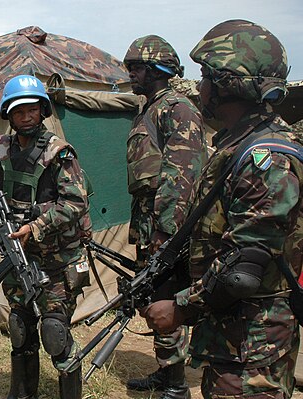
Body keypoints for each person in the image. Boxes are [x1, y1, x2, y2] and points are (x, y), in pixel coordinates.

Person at [141, 19, 303, 398]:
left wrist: (180, 308)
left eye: (205, 76)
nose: (199, 87)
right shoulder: (239, 145)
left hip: (254, 340)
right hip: (235, 331)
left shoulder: (267, 157)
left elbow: (244, 268)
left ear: (228, 83)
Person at [0, 75, 92, 399]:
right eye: (19, 111)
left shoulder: (60, 153)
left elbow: (76, 202)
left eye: (32, 110)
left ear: (42, 111)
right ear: (9, 115)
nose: (26, 116)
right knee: (20, 328)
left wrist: (36, 227)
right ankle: (22, 392)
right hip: (16, 256)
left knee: (55, 333)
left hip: (57, 260)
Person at [122, 35, 207, 399]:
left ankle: (176, 387)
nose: (131, 74)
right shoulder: (149, 108)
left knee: (167, 297)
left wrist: (166, 233)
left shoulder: (178, 108)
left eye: (137, 68)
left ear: (158, 69)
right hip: (150, 224)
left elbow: (181, 175)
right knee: (153, 299)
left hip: (167, 230)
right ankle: (166, 371)